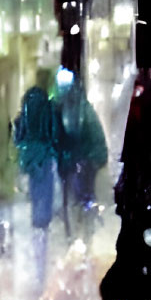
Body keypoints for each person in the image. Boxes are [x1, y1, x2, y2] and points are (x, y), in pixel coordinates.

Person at [10, 83, 60, 276]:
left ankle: (28, 260)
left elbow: (18, 137)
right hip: (44, 159)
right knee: (43, 206)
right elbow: (53, 134)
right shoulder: (48, 108)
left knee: (29, 201)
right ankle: (41, 261)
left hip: (27, 159)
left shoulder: (25, 110)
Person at [54, 69, 109, 235]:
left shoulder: (82, 109)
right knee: (71, 200)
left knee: (79, 198)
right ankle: (76, 234)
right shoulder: (62, 108)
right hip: (71, 162)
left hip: (81, 161)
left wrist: (91, 158)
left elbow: (94, 134)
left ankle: (84, 233)